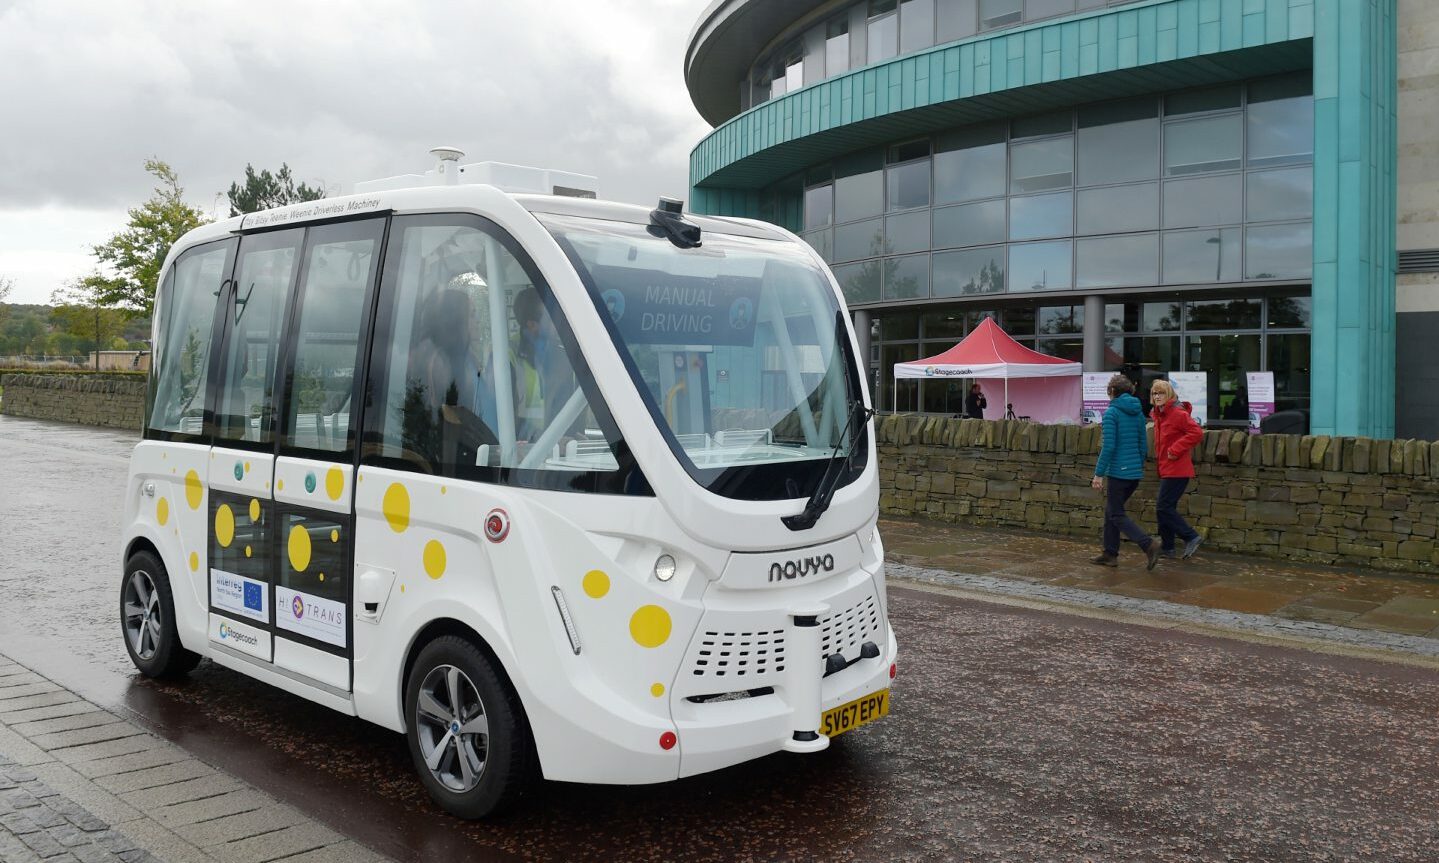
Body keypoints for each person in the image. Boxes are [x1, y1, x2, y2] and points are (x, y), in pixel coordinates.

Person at [1090, 374, 1160, 570]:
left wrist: (1098, 474)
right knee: (1111, 512)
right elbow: (1142, 444)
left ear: (1112, 392)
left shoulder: (1112, 413)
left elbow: (1109, 446)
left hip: (1118, 474)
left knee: (1116, 514)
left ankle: (1148, 545)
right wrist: (1136, 466)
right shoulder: (1138, 412)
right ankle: (1110, 554)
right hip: (1133, 474)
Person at [1150, 379, 1204, 559]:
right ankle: (1168, 547)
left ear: (1169, 395)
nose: (1157, 396)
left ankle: (1191, 536)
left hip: (1178, 469)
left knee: (1163, 507)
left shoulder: (1177, 413)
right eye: (1154, 393)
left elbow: (1196, 432)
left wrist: (1175, 449)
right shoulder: (1158, 414)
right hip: (1166, 468)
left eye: (1161, 393)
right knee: (1165, 507)